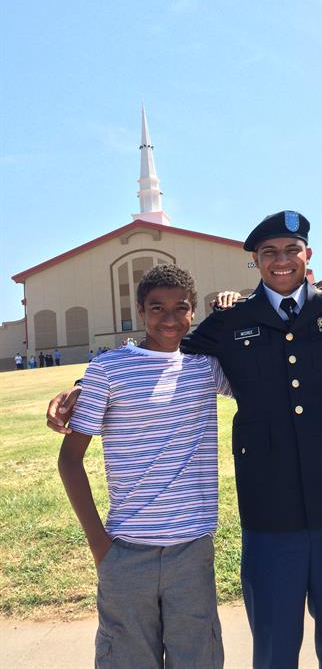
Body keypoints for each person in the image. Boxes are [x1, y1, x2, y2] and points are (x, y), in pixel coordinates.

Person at [47, 211, 322, 669]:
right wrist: (85, 386)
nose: (281, 262)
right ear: (255, 261)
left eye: (291, 250)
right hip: (269, 516)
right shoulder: (230, 321)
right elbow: (164, 349)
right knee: (275, 649)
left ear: (308, 255)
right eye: (269, 253)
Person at [57, 264, 229, 668]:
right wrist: (100, 545)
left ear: (193, 312)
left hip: (192, 548)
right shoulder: (107, 370)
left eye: (181, 308)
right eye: (157, 308)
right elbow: (69, 461)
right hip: (126, 550)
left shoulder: (206, 367)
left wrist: (235, 307)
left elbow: (263, 371)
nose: (169, 319)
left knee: (198, 657)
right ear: (140, 310)